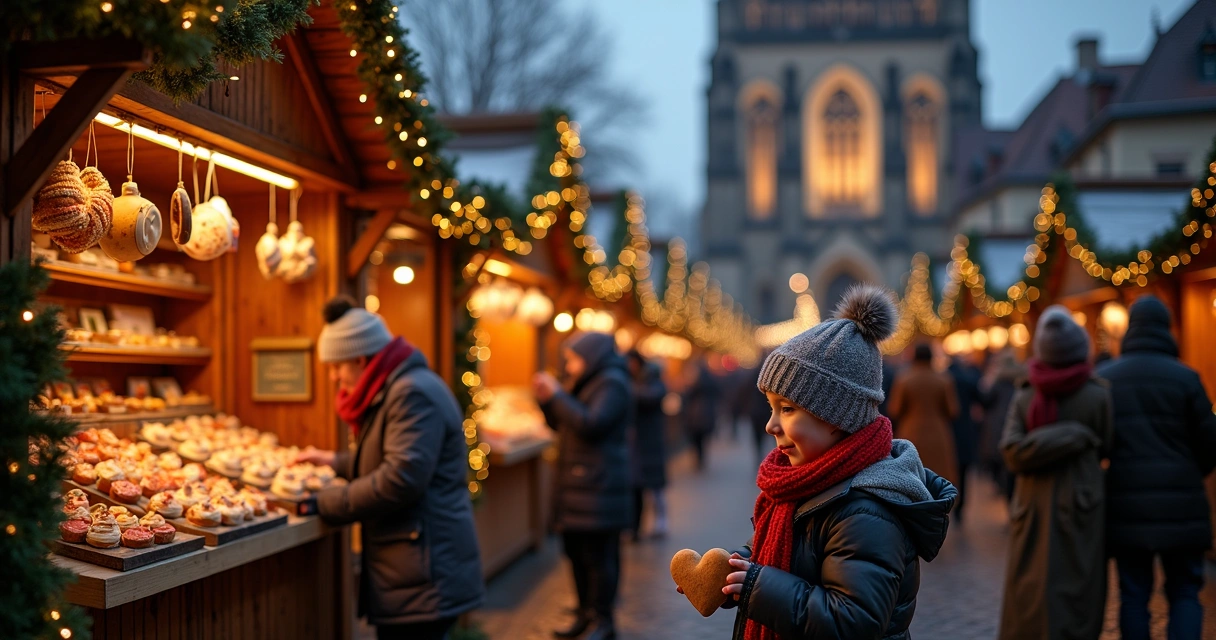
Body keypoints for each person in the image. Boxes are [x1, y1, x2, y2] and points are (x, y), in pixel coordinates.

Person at [701, 285, 956, 640]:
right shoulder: (812, 479)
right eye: (772, 407)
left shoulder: (867, 511)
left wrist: (757, 586)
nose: (770, 425)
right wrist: (737, 568)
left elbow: (853, 621)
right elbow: (799, 553)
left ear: (836, 416)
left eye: (787, 409)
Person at [295, 296, 483, 640]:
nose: (335, 378)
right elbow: (394, 459)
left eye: (337, 367)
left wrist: (324, 502)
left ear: (361, 359)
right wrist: (335, 461)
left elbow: (400, 479)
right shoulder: (398, 387)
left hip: (425, 570)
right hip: (418, 565)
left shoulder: (411, 394)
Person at [1098, 296, 1216, 640]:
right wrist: (1193, 473)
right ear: (1168, 328)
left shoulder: (1106, 379)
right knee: (1185, 593)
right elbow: (1210, 442)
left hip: (1126, 504)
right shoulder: (1186, 378)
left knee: (1133, 595)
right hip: (1183, 504)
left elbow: (1097, 445)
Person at [998, 306, 1111, 640]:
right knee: (1078, 589)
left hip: (1038, 504)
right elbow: (1105, 444)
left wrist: (1044, 442)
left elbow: (1014, 450)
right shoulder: (1097, 394)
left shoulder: (1027, 395)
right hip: (1080, 501)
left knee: (1032, 593)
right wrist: (1073, 435)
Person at [534, 332, 633, 640]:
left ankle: (603, 621)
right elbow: (564, 423)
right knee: (576, 553)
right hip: (578, 487)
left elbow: (591, 424)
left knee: (599, 558)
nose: (570, 365)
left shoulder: (612, 382)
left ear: (590, 358)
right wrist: (547, 403)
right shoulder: (586, 382)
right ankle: (583, 614)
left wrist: (557, 398)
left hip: (599, 488)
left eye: (573, 359)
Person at [888, 343, 960, 486]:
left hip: (910, 434)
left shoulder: (904, 379)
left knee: (911, 478)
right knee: (938, 479)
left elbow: (894, 409)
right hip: (938, 435)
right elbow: (953, 410)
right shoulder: (944, 379)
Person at [626, 350, 669, 540]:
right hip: (636, 442)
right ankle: (635, 528)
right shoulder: (631, 380)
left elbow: (651, 397)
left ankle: (660, 523)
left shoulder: (651, 380)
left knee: (654, 487)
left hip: (650, 441)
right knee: (637, 486)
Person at [978, 348, 1023, 503]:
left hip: (997, 424)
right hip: (1016, 422)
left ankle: (1004, 491)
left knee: (999, 458)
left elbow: (985, 400)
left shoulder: (997, 381)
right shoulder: (1021, 379)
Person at [947, 354, 983, 519]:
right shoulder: (967, 380)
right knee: (963, 470)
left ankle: (947, 500)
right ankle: (961, 507)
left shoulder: (944, 379)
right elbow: (984, 399)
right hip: (965, 429)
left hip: (947, 429)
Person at [681, 360, 720, 471]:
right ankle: (701, 459)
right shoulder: (710, 382)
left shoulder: (693, 385)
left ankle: (699, 459)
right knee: (702, 440)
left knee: (696, 440)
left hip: (695, 417)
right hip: (706, 416)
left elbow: (686, 398)